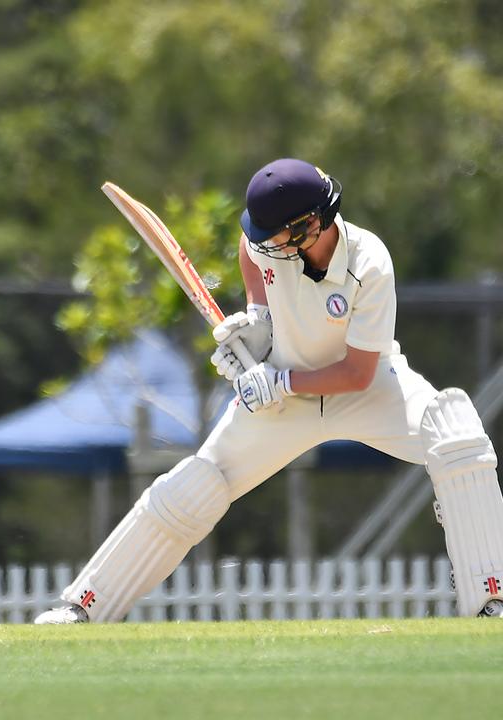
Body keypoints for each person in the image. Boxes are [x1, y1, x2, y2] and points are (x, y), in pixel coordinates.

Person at [36, 157, 503, 623]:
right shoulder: (267, 244)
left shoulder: (370, 262)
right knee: (194, 487)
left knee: (457, 437)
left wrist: (280, 383)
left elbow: (357, 372)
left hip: (367, 389)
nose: (266, 246)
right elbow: (248, 246)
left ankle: (488, 598)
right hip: (282, 398)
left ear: (309, 225)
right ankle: (84, 607)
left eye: (277, 236)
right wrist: (260, 320)